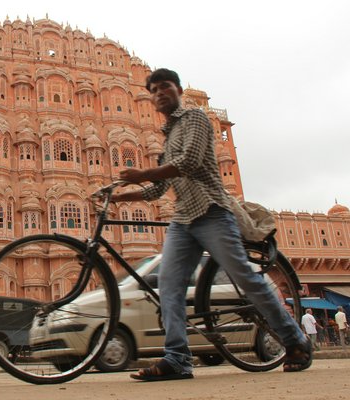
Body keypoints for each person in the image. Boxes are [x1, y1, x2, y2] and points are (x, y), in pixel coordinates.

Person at [111, 68, 311, 381]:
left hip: (212, 210)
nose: (159, 93)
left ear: (177, 89)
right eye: (153, 90)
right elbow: (160, 189)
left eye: (165, 87)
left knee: (244, 278)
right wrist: (121, 196)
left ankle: (295, 340)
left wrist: (143, 174)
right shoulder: (168, 136)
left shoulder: (196, 119)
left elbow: (189, 163)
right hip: (183, 219)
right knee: (170, 288)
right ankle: (177, 359)